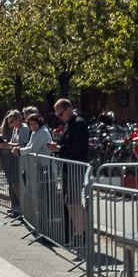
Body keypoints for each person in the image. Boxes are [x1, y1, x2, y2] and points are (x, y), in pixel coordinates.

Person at [49, 98, 89, 248]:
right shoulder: (66, 125)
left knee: (72, 203)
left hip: (75, 167)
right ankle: (82, 232)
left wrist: (58, 149)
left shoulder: (79, 124)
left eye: (60, 114)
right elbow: (67, 145)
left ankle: (80, 235)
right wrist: (58, 146)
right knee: (73, 203)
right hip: (67, 167)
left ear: (68, 109)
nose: (59, 117)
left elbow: (76, 147)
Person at [0, 110, 27, 215]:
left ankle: (23, 208)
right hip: (14, 160)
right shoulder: (15, 130)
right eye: (9, 122)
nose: (10, 124)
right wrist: (6, 144)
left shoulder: (25, 129)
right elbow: (14, 143)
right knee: (13, 184)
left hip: (22, 161)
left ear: (18, 120)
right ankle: (17, 207)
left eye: (11, 121)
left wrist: (8, 145)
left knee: (18, 185)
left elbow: (23, 145)